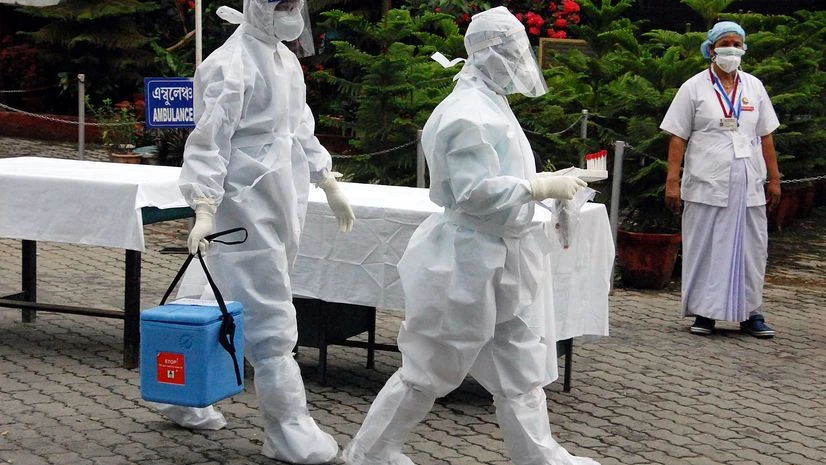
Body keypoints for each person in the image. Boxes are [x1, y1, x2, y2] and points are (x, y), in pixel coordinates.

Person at [343, 7, 599, 465]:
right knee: (429, 366)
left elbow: (500, 175)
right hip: (466, 261)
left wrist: (548, 179)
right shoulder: (466, 112)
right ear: (488, 53)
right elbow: (471, 191)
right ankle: (369, 454)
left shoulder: (490, 102)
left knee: (519, 366)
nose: (521, 61)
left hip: (501, 257)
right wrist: (538, 186)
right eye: (513, 51)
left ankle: (539, 457)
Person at [152, 1, 355, 463]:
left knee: (212, 294)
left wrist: (327, 180)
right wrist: (204, 206)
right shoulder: (229, 64)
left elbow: (301, 127)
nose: (289, 12)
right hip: (244, 203)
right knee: (269, 310)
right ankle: (288, 427)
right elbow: (208, 141)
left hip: (280, 198)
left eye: (294, 4)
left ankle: (178, 393)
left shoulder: (284, 59)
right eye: (280, 3)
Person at [661, 21, 781, 338]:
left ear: (744, 48)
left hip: (749, 184)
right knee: (705, 247)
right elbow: (677, 137)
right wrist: (673, 181)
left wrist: (775, 179)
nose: (731, 48)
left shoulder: (754, 87)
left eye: (737, 43)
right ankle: (704, 313)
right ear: (711, 48)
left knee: (752, 250)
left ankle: (751, 314)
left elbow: (766, 136)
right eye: (725, 42)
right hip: (706, 183)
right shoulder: (694, 87)